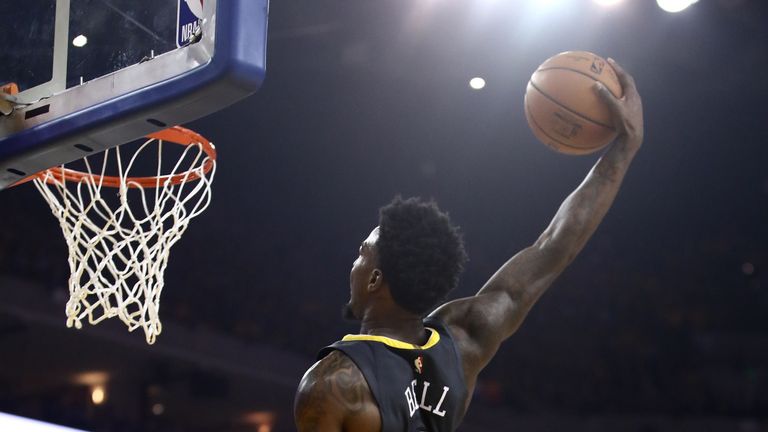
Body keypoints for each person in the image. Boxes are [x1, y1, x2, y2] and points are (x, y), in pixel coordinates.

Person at [294, 58, 643, 432]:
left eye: (362, 254)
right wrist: (624, 151)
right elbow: (553, 247)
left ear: (376, 279)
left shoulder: (334, 383)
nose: (355, 264)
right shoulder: (463, 343)